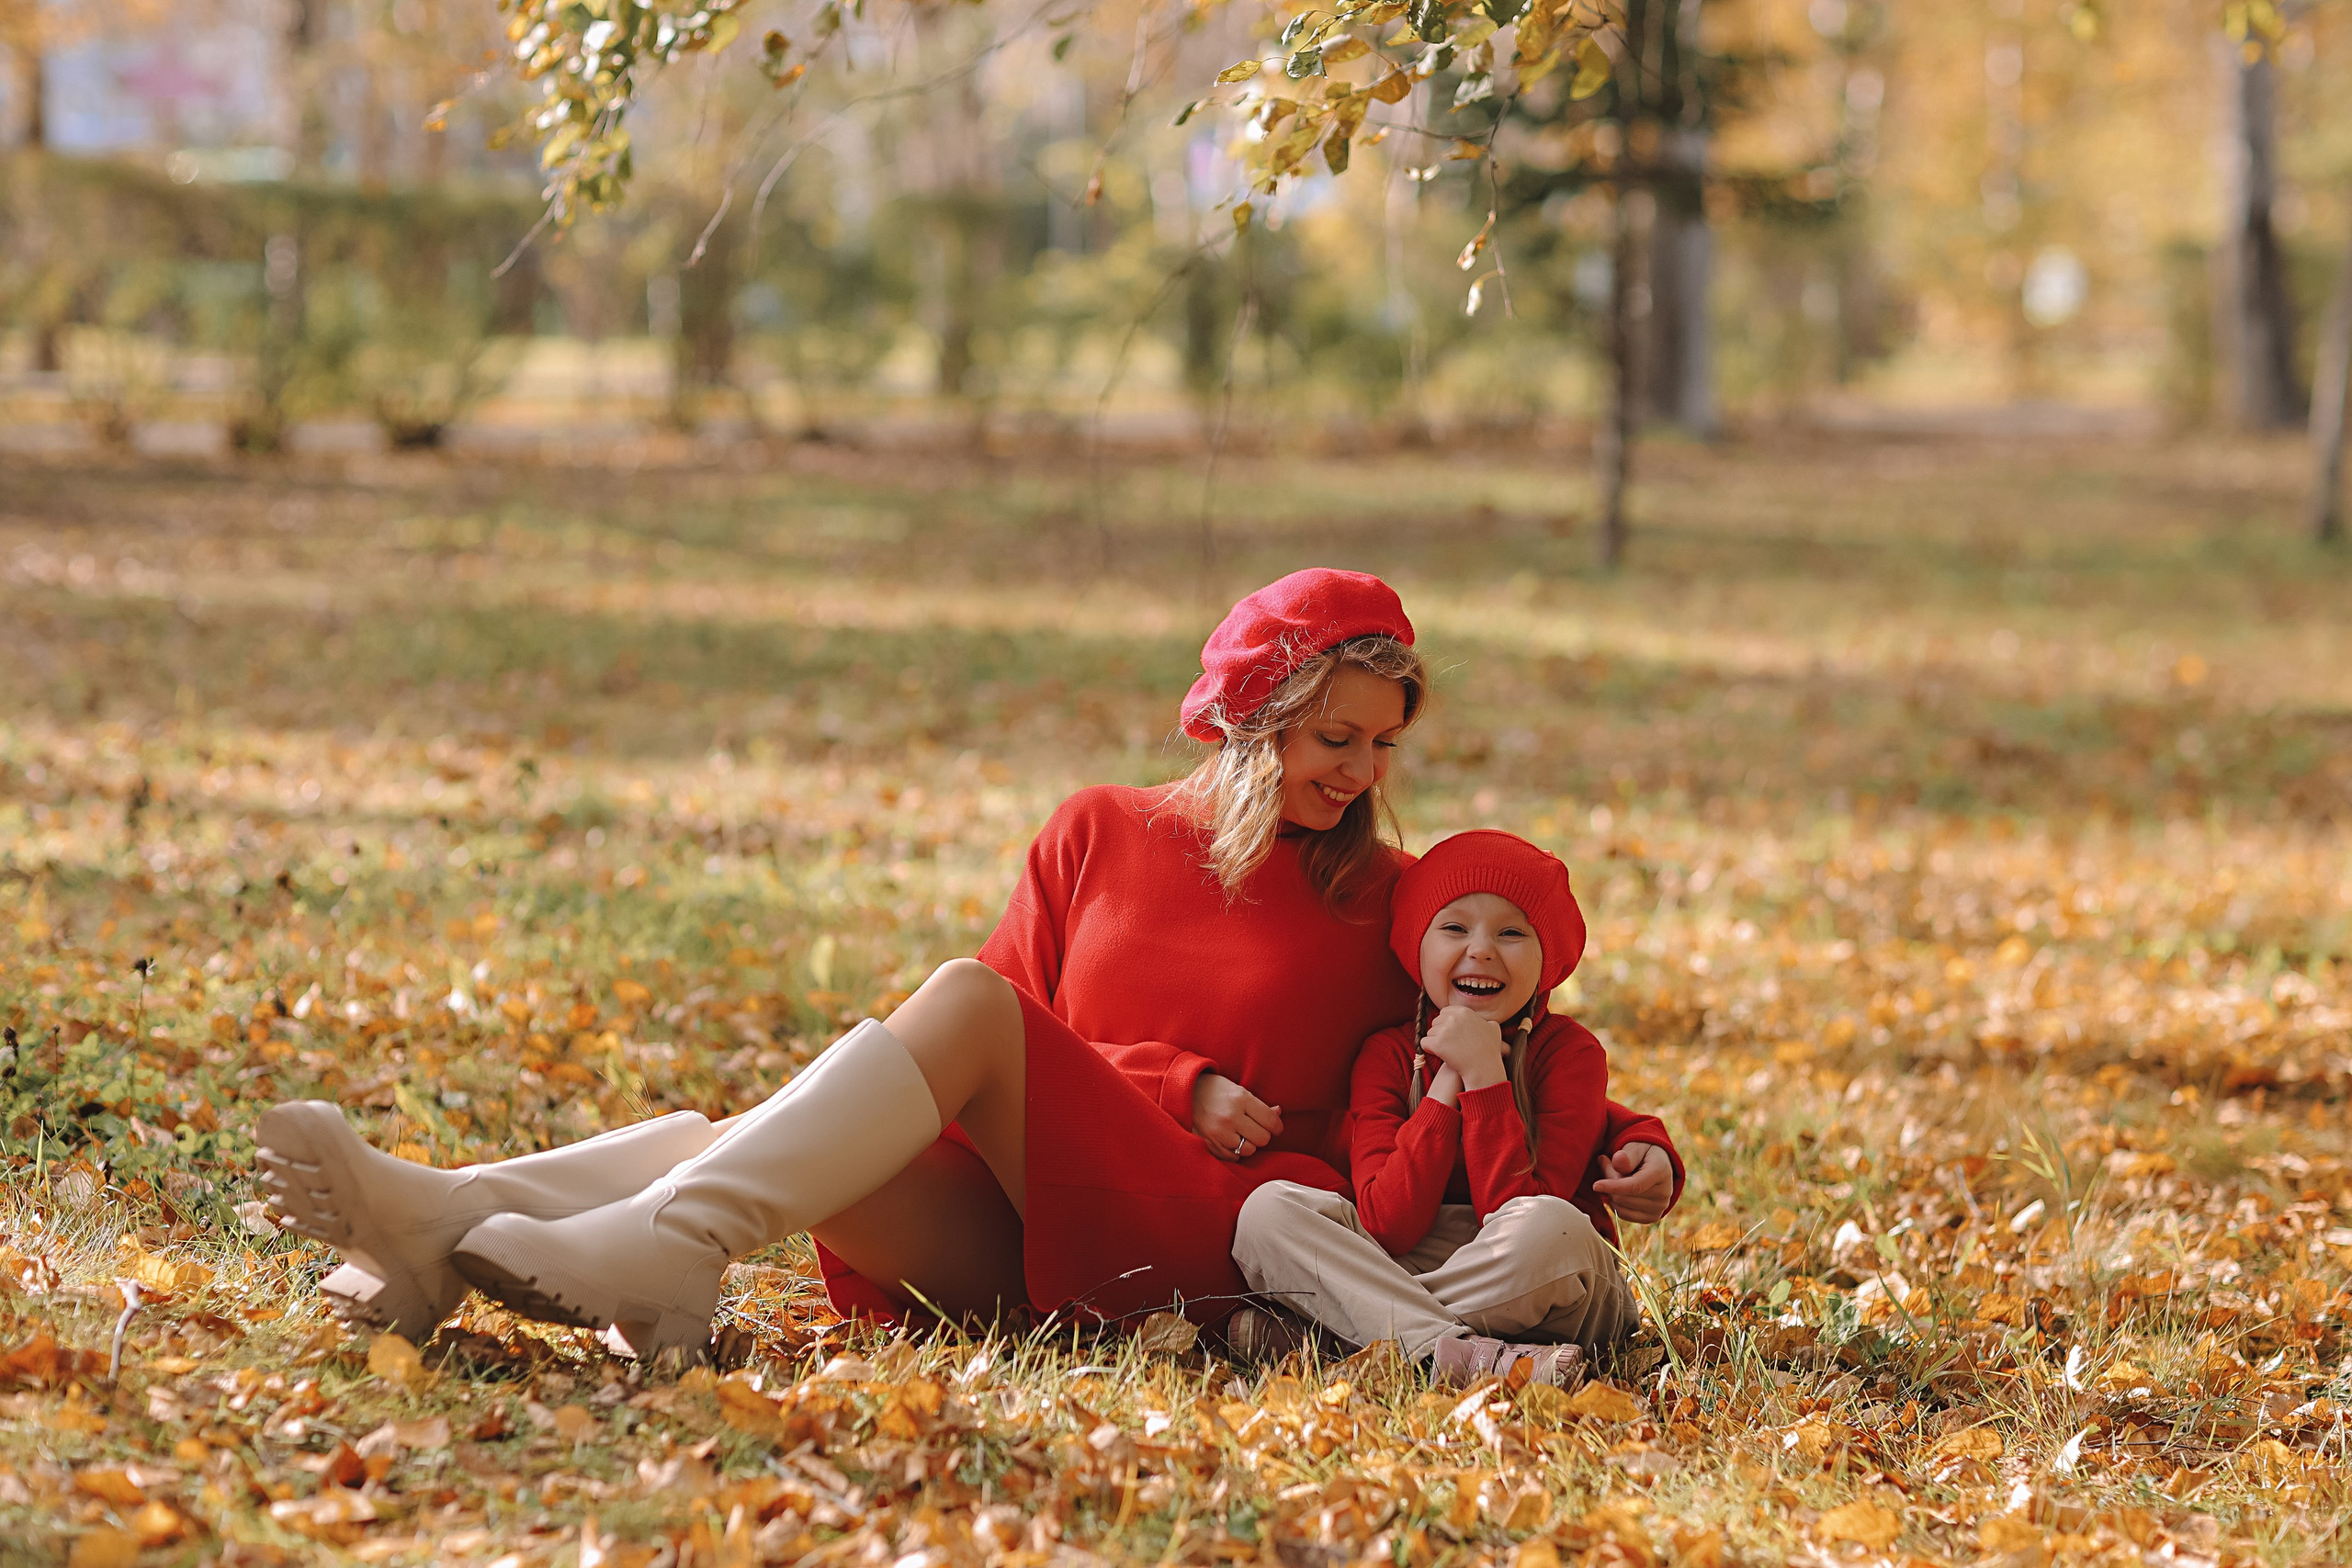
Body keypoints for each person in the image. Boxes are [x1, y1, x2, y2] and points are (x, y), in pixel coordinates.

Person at [257, 570, 1679, 1359]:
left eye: (1384, 742)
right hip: (1024, 1221)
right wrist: (1168, 1075)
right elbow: (972, 1062)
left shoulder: (1390, 898)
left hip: (1209, 1249)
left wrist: (1643, 1149)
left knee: (956, 1001)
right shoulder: (1098, 832)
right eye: (1336, 737)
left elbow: (1508, 1032)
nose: (1364, 770)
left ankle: (665, 1246)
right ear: (1256, 719)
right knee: (819, 1111)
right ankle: (447, 1219)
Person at [1230, 830, 1679, 1383]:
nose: (1482, 949)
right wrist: (1445, 1083)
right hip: (1419, 1256)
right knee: (1268, 1213)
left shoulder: (1569, 1054)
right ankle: (1462, 1354)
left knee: (1549, 1226)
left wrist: (1485, 1075)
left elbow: (1514, 1208)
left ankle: (1346, 1336)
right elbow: (1387, 1224)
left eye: (1512, 932)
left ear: (1547, 961)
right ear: (1418, 948)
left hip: (1548, 1280)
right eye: (1454, 928)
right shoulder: (1387, 1055)